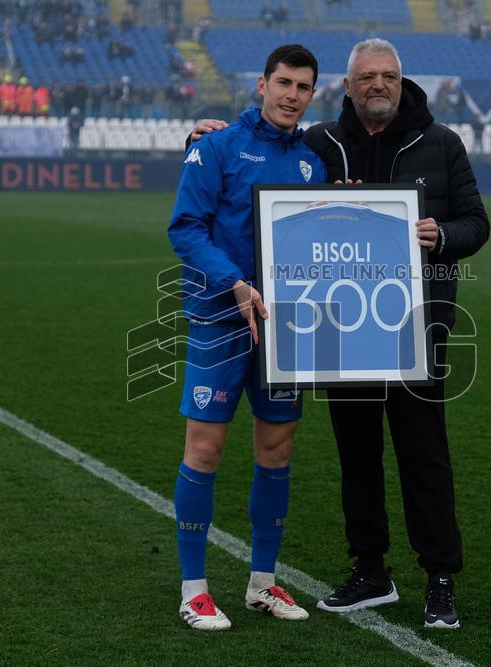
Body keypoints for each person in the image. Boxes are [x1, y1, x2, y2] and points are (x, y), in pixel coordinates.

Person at [189, 37, 489, 630]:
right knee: (357, 455)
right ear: (347, 88)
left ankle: (440, 578)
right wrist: (204, 139)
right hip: (340, 328)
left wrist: (441, 236)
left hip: (414, 328)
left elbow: (476, 223)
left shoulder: (442, 143)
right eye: (367, 77)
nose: (379, 84)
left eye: (389, 76)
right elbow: (267, 158)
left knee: (424, 454)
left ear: (402, 83)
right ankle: (371, 571)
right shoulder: (323, 142)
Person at [167, 44, 327, 632]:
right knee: (204, 450)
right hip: (220, 319)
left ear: (314, 94)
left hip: (285, 328)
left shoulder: (314, 163)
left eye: (303, 87)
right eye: (283, 83)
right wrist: (234, 283)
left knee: (277, 451)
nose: (291, 95)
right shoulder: (216, 147)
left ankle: (263, 583)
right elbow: (184, 227)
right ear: (261, 84)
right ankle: (194, 590)